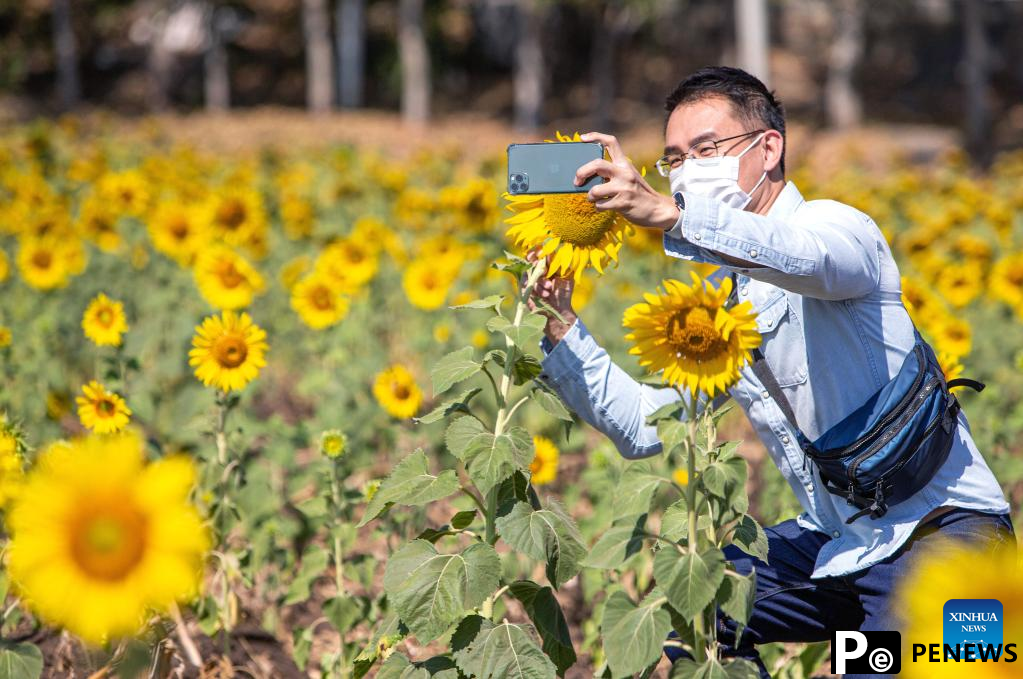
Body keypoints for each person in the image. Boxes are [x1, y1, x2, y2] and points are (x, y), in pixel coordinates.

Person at [526, 66, 1016, 678]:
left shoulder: (841, 230)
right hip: (844, 552)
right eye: (674, 159)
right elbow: (645, 426)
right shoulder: (731, 307)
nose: (687, 170)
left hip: (950, 538)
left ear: (769, 147)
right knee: (701, 600)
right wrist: (559, 323)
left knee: (908, 666)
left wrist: (673, 217)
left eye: (706, 148)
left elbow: (804, 259)